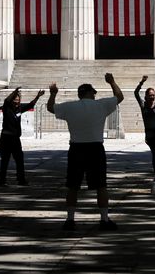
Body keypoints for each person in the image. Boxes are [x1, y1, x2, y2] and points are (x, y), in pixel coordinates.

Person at [47, 74, 125, 231]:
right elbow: (119, 97)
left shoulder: (70, 107)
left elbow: (50, 108)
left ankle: (70, 220)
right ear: (90, 93)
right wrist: (112, 82)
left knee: (73, 186)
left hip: (76, 148)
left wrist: (53, 93)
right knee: (101, 186)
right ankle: (104, 219)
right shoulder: (101, 105)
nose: (95, 95)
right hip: (95, 148)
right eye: (94, 93)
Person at [0, 87, 44, 187]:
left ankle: (21, 179)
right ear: (12, 100)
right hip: (6, 138)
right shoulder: (6, 107)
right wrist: (15, 92)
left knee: (20, 160)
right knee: (5, 160)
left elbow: (31, 104)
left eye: (18, 100)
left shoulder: (20, 108)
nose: (16, 101)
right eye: (15, 99)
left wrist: (38, 96)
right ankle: (2, 181)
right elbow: (6, 100)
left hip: (15, 138)